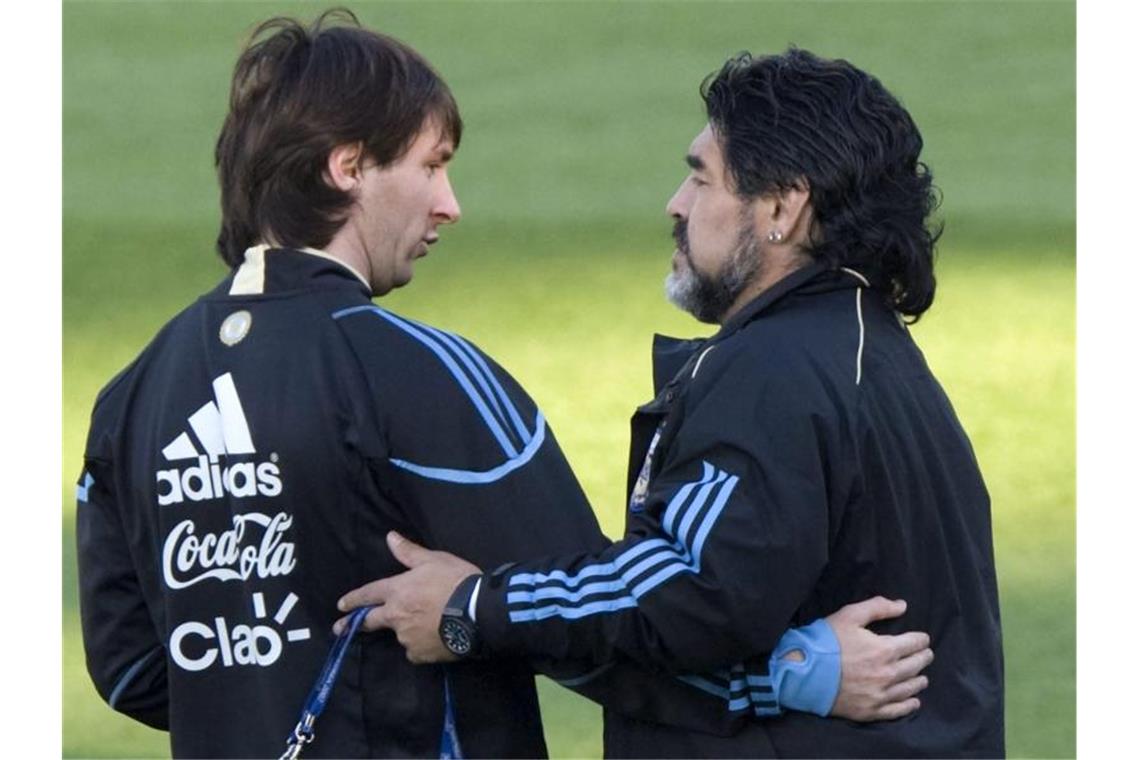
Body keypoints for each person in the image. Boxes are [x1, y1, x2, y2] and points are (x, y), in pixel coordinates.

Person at [76, 12, 932, 759]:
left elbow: (133, 673)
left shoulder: (132, 396)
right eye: (431, 164)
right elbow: (601, 629)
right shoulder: (420, 373)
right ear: (347, 167)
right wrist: (792, 678)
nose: (450, 205)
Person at [337, 47, 1004, 758]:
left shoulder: (776, 370)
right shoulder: (870, 352)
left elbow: (685, 593)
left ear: (782, 206)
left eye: (701, 179)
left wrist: (473, 608)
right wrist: (790, 672)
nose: (677, 205)